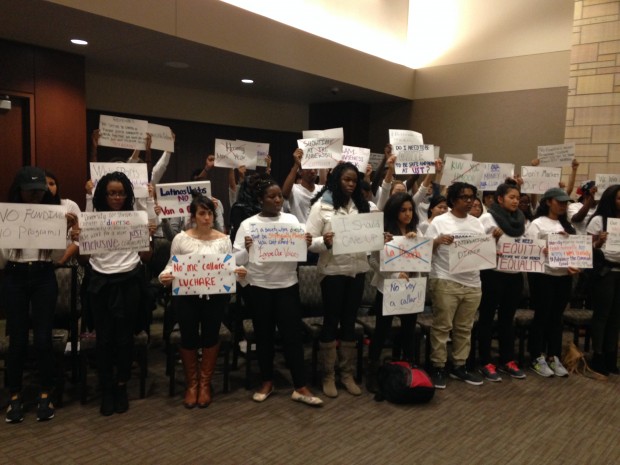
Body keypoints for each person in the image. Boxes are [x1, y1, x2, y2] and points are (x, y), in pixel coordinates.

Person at [233, 178, 323, 406]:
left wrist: (310, 240)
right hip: (259, 286)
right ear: (260, 200)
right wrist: (247, 248)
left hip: (287, 285)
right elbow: (234, 260)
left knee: (292, 337)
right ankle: (266, 381)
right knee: (264, 337)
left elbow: (309, 245)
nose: (277, 200)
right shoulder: (248, 224)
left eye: (279, 197)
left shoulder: (292, 220)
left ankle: (300, 386)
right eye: (272, 197)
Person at [2, 166, 76, 423]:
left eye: (39, 192)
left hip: (44, 276)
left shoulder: (51, 215)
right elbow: (1, 260)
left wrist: (64, 233)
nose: (35, 196)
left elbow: (57, 259)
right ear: (19, 191)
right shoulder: (7, 216)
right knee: (18, 340)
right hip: (14, 276)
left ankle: (46, 393)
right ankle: (15, 396)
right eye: (30, 191)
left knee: (44, 339)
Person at [159, 194, 246, 408]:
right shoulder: (181, 238)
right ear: (193, 216)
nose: (206, 217)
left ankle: (205, 383)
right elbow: (172, 265)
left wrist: (239, 272)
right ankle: (192, 383)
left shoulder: (224, 240)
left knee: (210, 336)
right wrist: (165, 276)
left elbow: (229, 267)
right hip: (186, 296)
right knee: (188, 337)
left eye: (209, 213)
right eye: (202, 213)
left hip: (215, 297)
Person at [79, 171, 154, 416]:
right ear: (103, 194)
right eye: (112, 192)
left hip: (129, 280)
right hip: (100, 282)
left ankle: (121, 385)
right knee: (104, 339)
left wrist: (148, 236)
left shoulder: (135, 218)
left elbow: (146, 257)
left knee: (124, 338)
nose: (117, 197)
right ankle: (106, 388)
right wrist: (78, 238)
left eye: (121, 192)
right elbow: (84, 258)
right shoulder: (93, 218)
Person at [306, 162, 373, 397]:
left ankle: (346, 374)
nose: (351, 184)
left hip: (357, 270)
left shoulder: (363, 205)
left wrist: (379, 237)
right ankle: (328, 375)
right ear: (337, 179)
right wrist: (325, 241)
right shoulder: (322, 206)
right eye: (346, 179)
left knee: (349, 322)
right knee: (331, 321)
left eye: (354, 180)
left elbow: (371, 238)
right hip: (332, 271)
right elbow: (308, 241)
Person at [426, 182, 486, 389]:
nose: (469, 201)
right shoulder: (440, 222)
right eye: (464, 197)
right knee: (442, 327)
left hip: (472, 281)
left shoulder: (477, 223)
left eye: (471, 197)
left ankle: (459, 365)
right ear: (452, 200)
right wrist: (438, 241)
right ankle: (438, 366)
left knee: (464, 327)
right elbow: (423, 251)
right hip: (445, 279)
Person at [366, 192, 421, 393]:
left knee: (409, 331)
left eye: (410, 210)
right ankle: (372, 372)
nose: (407, 214)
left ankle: (408, 371)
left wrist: (416, 241)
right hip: (388, 287)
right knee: (382, 331)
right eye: (403, 210)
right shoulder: (384, 231)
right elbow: (372, 261)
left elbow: (423, 258)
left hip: (411, 287)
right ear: (394, 211)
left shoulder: (416, 230)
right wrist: (394, 274)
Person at [526, 187, 579, 378]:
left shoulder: (567, 226)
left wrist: (575, 264)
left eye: (565, 203)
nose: (563, 206)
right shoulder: (537, 224)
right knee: (542, 316)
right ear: (548, 202)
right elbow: (529, 250)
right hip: (543, 276)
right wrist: (543, 249)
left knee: (557, 318)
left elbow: (576, 252)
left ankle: (553, 355)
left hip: (563, 277)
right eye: (559, 202)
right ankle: (536, 356)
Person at [477, 181, 527, 381]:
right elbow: (476, 248)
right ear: (500, 199)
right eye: (511, 197)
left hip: (514, 276)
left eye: (517, 197)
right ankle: (486, 361)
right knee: (487, 318)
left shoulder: (522, 219)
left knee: (508, 319)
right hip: (493, 274)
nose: (515, 201)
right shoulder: (487, 219)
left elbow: (528, 244)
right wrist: (493, 241)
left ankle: (507, 359)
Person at [586, 184, 620, 376]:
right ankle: (597, 356)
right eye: (618, 198)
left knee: (616, 318)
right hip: (605, 272)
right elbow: (587, 247)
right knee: (602, 315)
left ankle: (610, 356)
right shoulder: (599, 220)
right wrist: (599, 242)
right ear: (610, 199)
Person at [45, 170, 81, 265]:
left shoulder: (69, 205)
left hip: (66, 263)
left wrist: (62, 260)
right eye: (44, 184)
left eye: (52, 184)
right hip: (41, 263)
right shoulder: (34, 210)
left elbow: (79, 238)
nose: (48, 187)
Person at [282, 148, 323, 223]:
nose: (313, 171)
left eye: (315, 168)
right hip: (299, 233)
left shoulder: (321, 189)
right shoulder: (294, 189)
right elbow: (284, 193)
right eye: (308, 168)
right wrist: (296, 164)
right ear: (300, 172)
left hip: (317, 234)